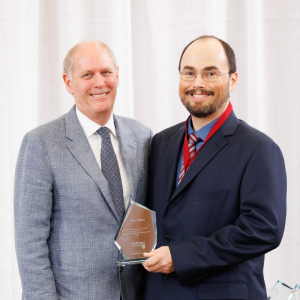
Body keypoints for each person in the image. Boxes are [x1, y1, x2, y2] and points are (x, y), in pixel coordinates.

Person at [142, 35, 286, 300]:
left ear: (233, 79)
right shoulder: (160, 143)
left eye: (210, 73)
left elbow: (263, 230)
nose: (197, 83)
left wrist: (181, 257)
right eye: (189, 73)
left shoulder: (259, 149)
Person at [14, 40, 152, 300]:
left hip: (136, 292)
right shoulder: (41, 143)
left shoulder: (142, 136)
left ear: (118, 76)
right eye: (87, 74)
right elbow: (30, 243)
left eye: (106, 72)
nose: (99, 82)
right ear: (69, 83)